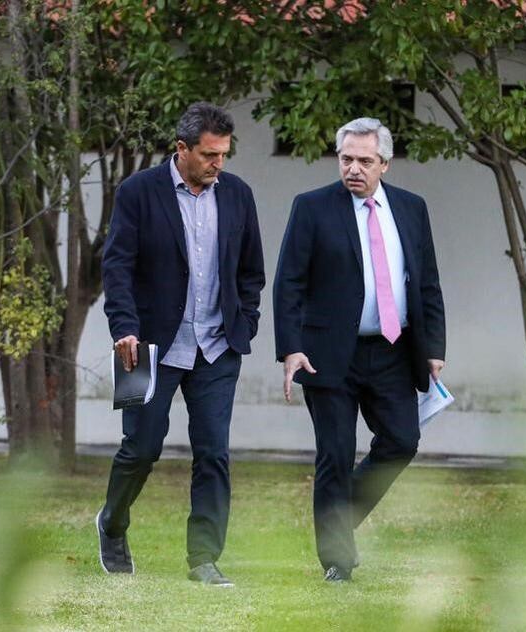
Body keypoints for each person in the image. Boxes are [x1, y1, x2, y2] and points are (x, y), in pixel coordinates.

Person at [96, 102, 265, 586]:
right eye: (209, 154)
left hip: (217, 347)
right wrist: (123, 328)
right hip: (145, 346)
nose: (218, 163)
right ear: (182, 149)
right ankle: (112, 523)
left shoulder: (238, 195)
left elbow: (251, 270)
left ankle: (204, 558)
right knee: (141, 449)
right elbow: (117, 267)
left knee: (213, 453)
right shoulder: (137, 192)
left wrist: (245, 322)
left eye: (224, 154)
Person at [273, 117, 446, 582]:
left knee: (402, 441)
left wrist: (433, 347)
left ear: (384, 164)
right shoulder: (312, 207)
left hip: (393, 350)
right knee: (335, 453)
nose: (354, 168)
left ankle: (336, 518)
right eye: (346, 159)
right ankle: (337, 560)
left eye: (365, 161)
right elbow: (289, 282)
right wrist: (290, 348)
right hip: (326, 353)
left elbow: (426, 282)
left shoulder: (411, 208)